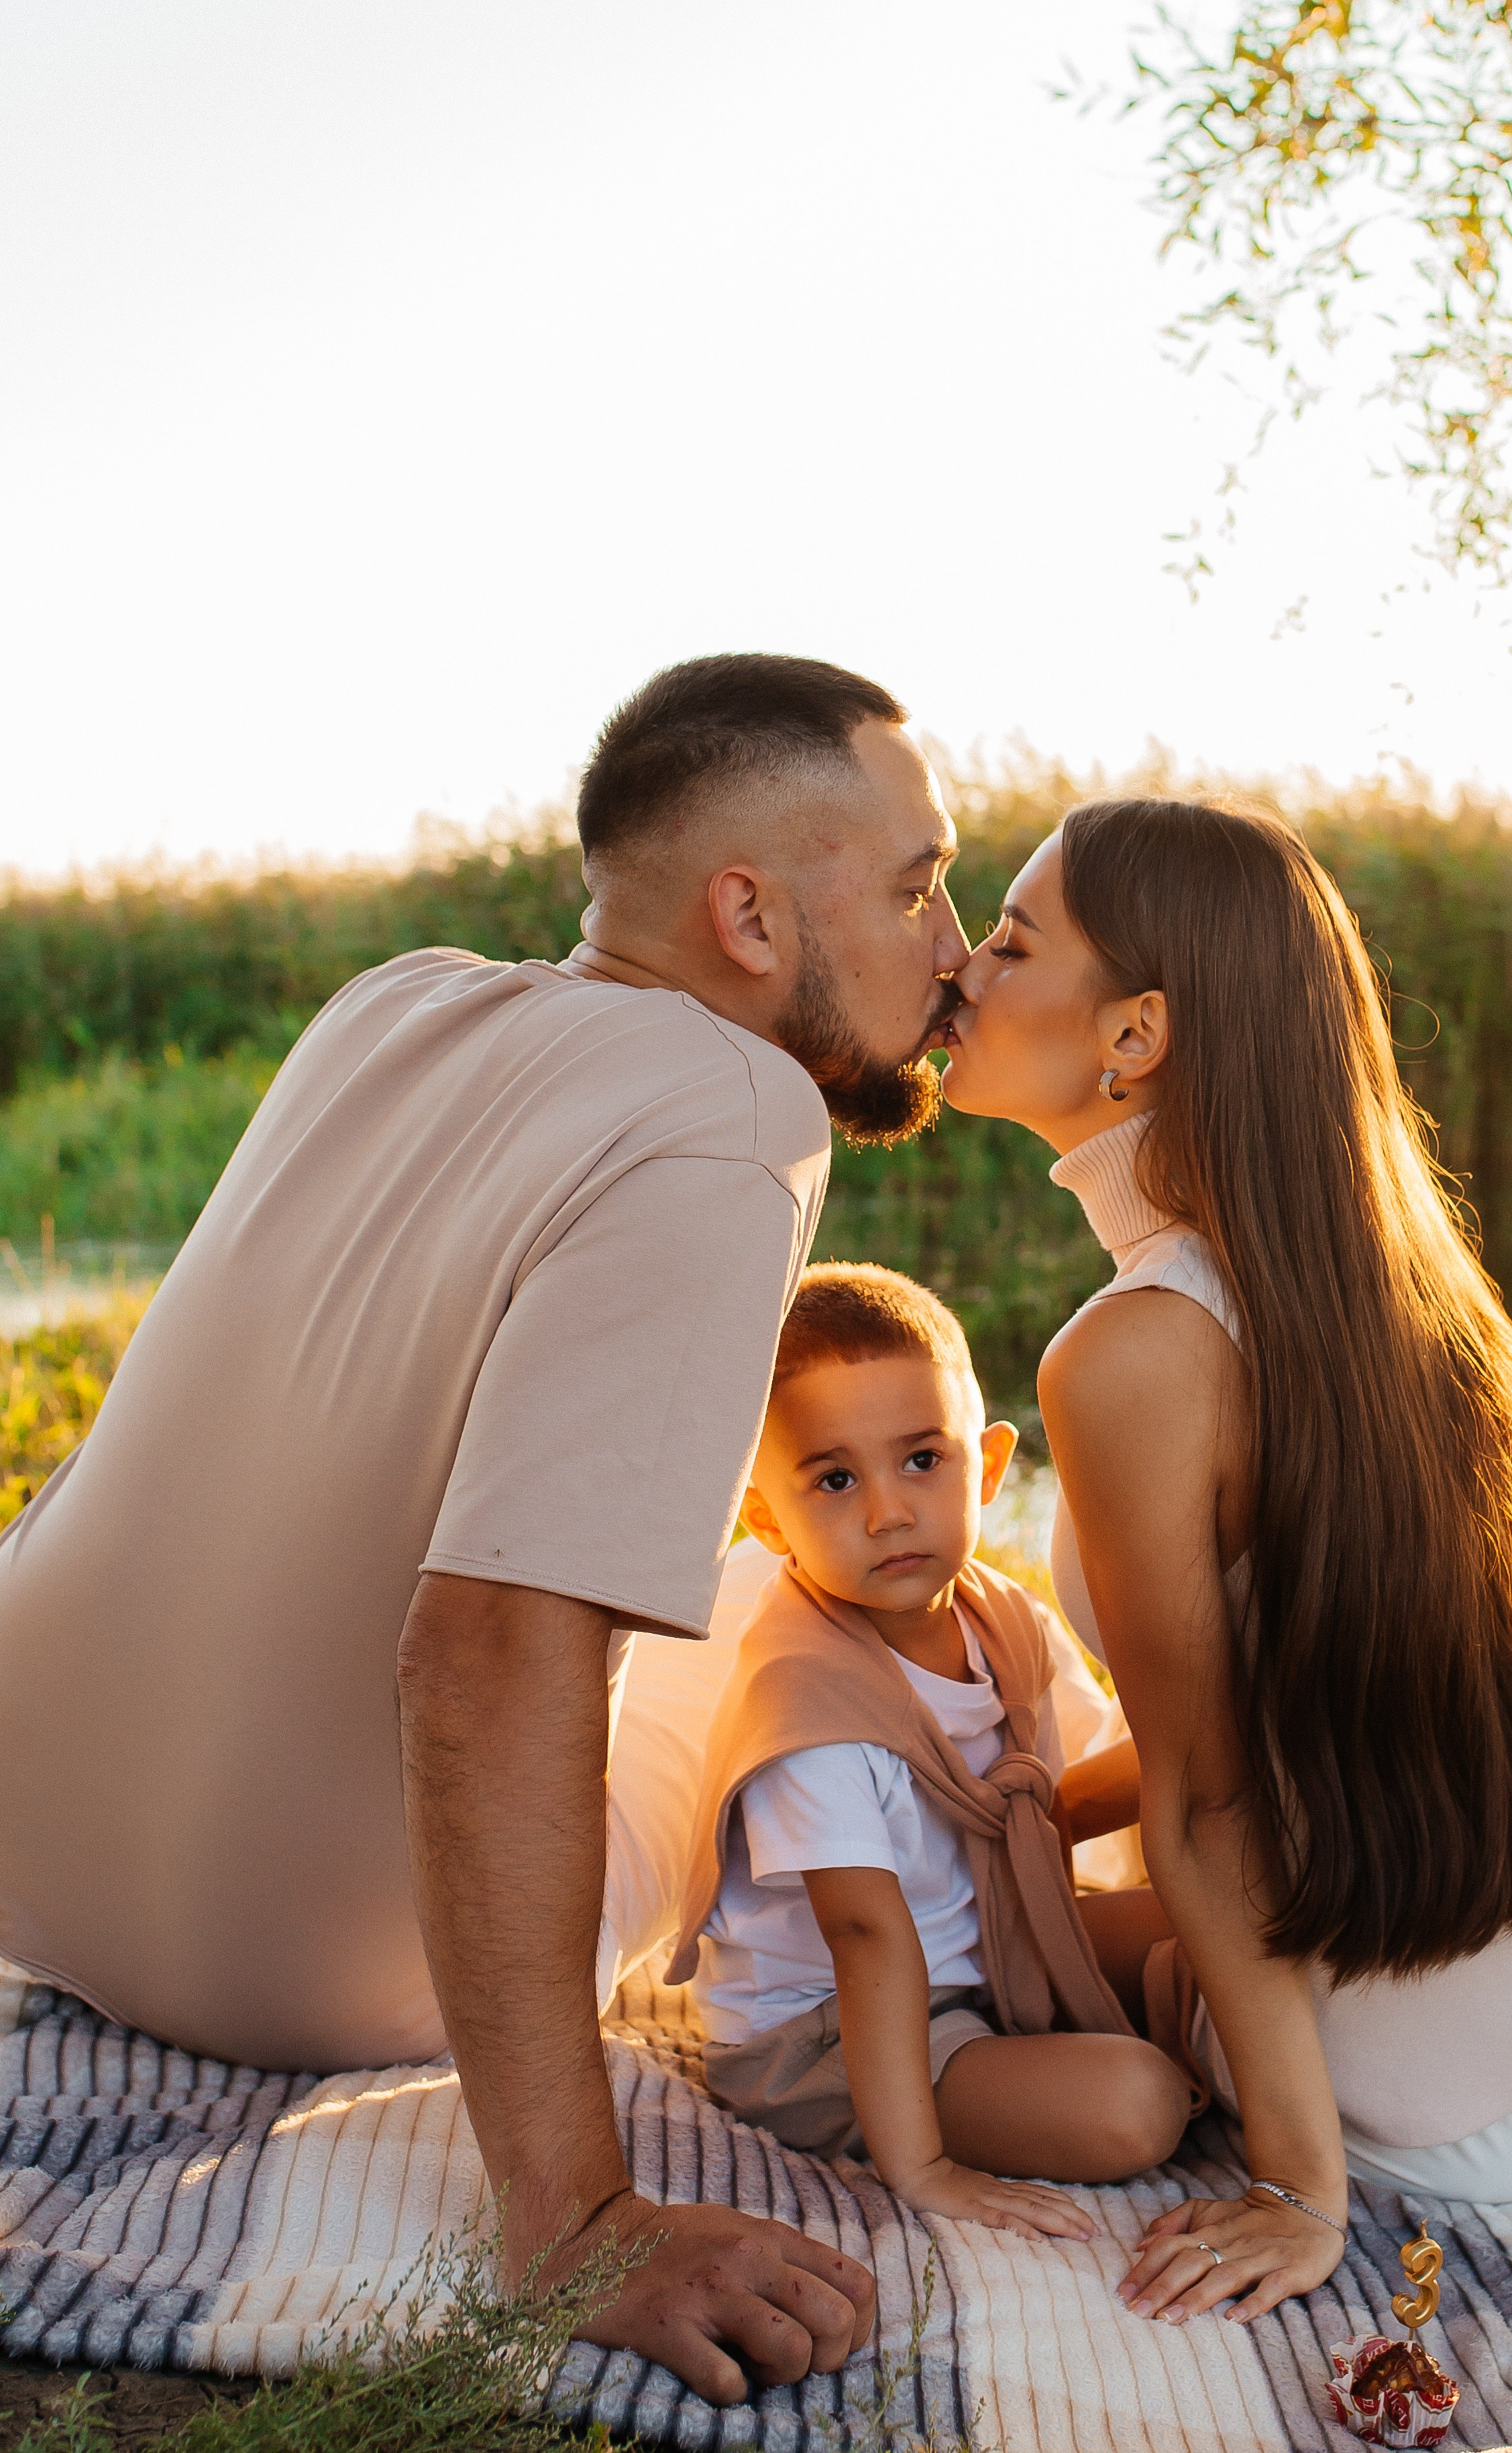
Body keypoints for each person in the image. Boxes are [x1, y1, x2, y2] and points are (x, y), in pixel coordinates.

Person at [0, 653, 972, 2407]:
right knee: (775, 1600)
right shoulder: (734, 1112)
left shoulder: (394, 999)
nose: (956, 940)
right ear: (746, 915)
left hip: (27, 1849)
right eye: (915, 884)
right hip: (308, 1961)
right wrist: (578, 2215)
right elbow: (486, 1646)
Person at [939, 792, 1512, 2326]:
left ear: (1136, 1034)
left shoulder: (1134, 1351)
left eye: (1012, 941)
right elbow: (1309, 1698)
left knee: (973, 1953)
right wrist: (1041, 1791)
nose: (962, 968)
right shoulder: (1372, 1270)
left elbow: (1214, 1793)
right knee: (1026, 1859)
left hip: (1459, 2095)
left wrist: (1298, 2187)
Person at [669, 1263, 1191, 2228]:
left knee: (1220, 1918)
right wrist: (924, 2174)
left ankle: (1201, 2055)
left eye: (921, 1460)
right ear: (765, 1517)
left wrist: (1201, 1743)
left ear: (987, 1467)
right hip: (831, 2034)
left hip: (982, 1952)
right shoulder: (814, 1709)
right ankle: (1090, 2074)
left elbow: (1039, 1809)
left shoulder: (1001, 1620)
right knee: (1137, 2106)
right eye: (834, 1479)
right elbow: (867, 1939)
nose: (889, 1512)